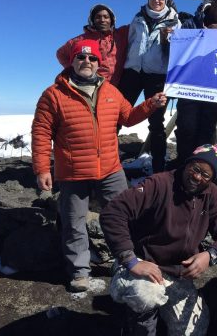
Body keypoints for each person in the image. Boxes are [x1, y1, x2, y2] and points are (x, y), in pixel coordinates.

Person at [31, 39, 167, 292]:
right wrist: (42, 169)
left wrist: (150, 105)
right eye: (81, 58)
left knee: (124, 217)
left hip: (110, 169)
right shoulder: (54, 94)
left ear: (98, 63)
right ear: (72, 61)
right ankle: (79, 272)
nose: (87, 62)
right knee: (74, 222)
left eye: (92, 58)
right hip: (73, 171)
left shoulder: (111, 91)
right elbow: (41, 133)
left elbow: (127, 118)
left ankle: (125, 261)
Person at [100, 144, 217, 336]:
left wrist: (210, 255)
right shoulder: (159, 183)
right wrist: (130, 260)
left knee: (194, 331)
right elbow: (113, 212)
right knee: (145, 296)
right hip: (143, 265)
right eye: (195, 169)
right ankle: (136, 327)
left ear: (212, 179)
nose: (198, 177)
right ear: (187, 163)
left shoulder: (212, 195)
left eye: (205, 175)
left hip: (177, 275)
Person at [119, 0, 181, 173]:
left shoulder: (175, 22)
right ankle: (108, 162)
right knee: (116, 116)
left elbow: (179, 53)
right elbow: (129, 43)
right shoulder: (137, 18)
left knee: (156, 122)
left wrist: (170, 41)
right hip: (133, 73)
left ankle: (158, 166)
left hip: (157, 76)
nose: (156, 0)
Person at [172, 0, 217, 168]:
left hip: (215, 87)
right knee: (186, 127)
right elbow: (180, 50)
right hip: (190, 86)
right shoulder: (192, 23)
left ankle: (203, 167)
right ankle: (183, 165)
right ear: (213, 4)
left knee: (207, 129)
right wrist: (206, 35)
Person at [56, 4, 129, 86]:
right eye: (98, 17)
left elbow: (137, 25)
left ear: (112, 20)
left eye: (106, 17)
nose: (102, 20)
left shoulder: (121, 34)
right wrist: (75, 69)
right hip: (92, 85)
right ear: (92, 20)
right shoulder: (81, 40)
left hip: (117, 86)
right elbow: (61, 53)